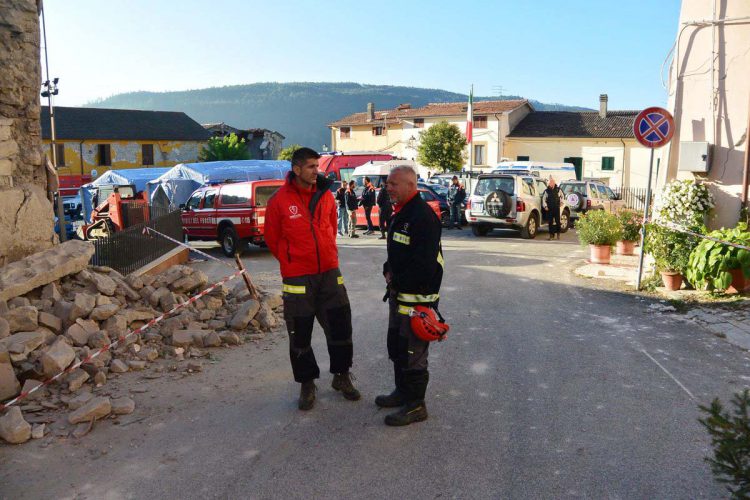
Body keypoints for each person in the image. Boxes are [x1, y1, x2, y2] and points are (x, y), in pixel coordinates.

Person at [264, 147, 361, 411]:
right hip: (298, 277)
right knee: (300, 333)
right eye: (310, 167)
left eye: (317, 166)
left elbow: (330, 227)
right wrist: (290, 260)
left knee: (341, 327)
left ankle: (341, 377)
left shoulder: (326, 196)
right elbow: (272, 238)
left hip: (329, 273)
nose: (316, 171)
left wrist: (330, 254)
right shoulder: (279, 200)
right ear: (296, 170)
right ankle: (307, 384)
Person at [377, 165, 444, 426]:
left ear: (410, 185)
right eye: (388, 183)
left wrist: (399, 280)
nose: (388, 188)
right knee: (397, 346)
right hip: (399, 296)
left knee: (413, 352)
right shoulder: (402, 213)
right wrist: (388, 269)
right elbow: (398, 253)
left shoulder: (423, 216)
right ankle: (402, 393)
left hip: (416, 300)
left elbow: (424, 264)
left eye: (393, 184)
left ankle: (416, 406)